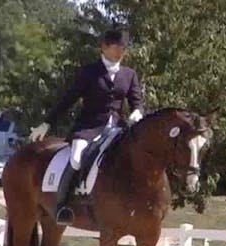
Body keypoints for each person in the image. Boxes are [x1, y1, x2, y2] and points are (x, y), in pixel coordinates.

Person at [28, 29, 145, 226]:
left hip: (117, 128)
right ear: (104, 47)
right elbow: (68, 100)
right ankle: (63, 205)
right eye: (117, 47)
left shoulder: (129, 74)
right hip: (89, 127)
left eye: (123, 48)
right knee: (75, 159)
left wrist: (137, 113)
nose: (120, 52)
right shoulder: (89, 72)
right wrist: (47, 123)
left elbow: (138, 102)